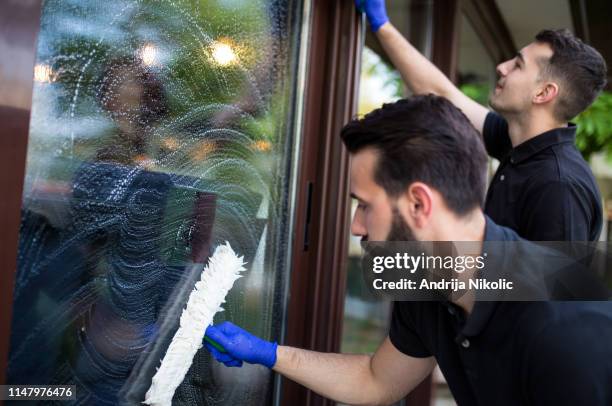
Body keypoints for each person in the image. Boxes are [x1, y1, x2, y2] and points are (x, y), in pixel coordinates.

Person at [204, 96, 612, 405]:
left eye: (364, 204)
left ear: (419, 204)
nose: (355, 227)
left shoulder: (564, 327)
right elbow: (375, 379)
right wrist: (270, 354)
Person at [356, 0, 607, 241]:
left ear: (543, 93)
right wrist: (381, 24)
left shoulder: (559, 186)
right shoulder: (517, 141)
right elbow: (443, 94)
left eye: (518, 65)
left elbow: (550, 285)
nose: (502, 67)